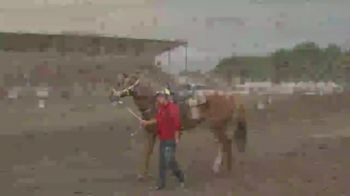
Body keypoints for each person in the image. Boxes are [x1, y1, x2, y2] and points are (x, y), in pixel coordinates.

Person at [141, 90, 185, 190]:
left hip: (171, 139)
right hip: (163, 139)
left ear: (166, 97)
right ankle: (161, 184)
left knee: (170, 162)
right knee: (162, 163)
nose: (158, 99)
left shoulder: (173, 109)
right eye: (158, 97)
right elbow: (157, 119)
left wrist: (176, 138)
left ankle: (180, 176)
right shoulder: (161, 108)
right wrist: (146, 123)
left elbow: (177, 124)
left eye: (160, 97)